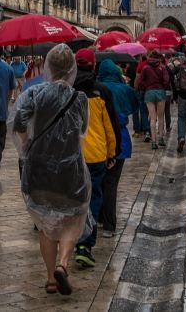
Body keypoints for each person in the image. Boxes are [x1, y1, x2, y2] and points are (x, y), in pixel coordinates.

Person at [13, 44, 90, 296]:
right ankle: (63, 264)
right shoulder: (79, 98)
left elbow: (19, 122)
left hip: (38, 168)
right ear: (71, 69)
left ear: (48, 67)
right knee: (73, 217)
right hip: (70, 169)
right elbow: (82, 130)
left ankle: (49, 278)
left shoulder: (34, 94)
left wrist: (26, 144)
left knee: (46, 224)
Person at [71, 49, 118, 270]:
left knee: (74, 198)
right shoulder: (101, 92)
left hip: (72, 155)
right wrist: (112, 153)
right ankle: (85, 245)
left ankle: (71, 241)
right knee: (94, 198)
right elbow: (110, 126)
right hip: (97, 154)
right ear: (93, 65)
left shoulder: (67, 91)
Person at [96, 58, 136, 236]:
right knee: (111, 184)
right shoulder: (124, 89)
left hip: (99, 140)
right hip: (120, 140)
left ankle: (99, 217)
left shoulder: (96, 89)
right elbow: (134, 106)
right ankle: (109, 225)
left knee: (99, 181)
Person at [135, 50, 171, 150]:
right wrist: (163, 87)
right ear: (158, 58)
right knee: (161, 117)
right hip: (160, 92)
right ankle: (161, 138)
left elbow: (141, 82)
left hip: (149, 92)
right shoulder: (162, 68)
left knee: (152, 118)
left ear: (149, 57)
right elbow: (166, 81)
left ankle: (154, 142)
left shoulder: (145, 68)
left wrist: (145, 88)